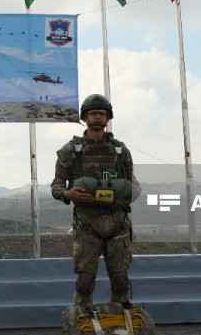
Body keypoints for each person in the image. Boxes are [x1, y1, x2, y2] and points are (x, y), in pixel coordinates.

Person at [51, 93, 141, 309]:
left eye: (102, 114)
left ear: (108, 118)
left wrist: (132, 192)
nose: (98, 117)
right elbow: (56, 185)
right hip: (86, 224)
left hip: (117, 223)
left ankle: (120, 327)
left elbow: (134, 184)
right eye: (93, 114)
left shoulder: (120, 151)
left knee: (121, 282)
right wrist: (67, 194)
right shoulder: (71, 150)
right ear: (85, 118)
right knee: (85, 282)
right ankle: (81, 325)